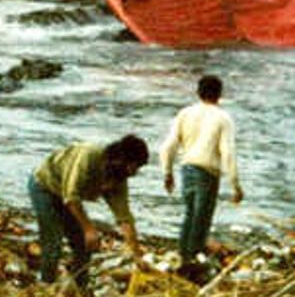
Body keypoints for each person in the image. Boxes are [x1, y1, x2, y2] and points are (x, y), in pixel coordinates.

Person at [27, 134, 148, 290]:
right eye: (134, 166)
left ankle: (80, 287)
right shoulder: (89, 155)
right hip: (44, 186)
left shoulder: (119, 179)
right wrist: (89, 229)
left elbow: (125, 218)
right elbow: (71, 196)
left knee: (83, 245)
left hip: (67, 197)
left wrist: (136, 254)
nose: (134, 173)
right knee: (53, 241)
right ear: (122, 159)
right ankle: (46, 285)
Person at [159, 75, 243, 280]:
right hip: (207, 172)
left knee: (189, 216)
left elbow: (168, 146)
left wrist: (167, 173)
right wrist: (235, 185)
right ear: (219, 95)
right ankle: (191, 264)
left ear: (198, 92)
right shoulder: (223, 118)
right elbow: (228, 153)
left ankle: (184, 257)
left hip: (186, 168)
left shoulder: (185, 113)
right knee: (201, 220)